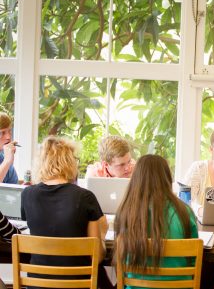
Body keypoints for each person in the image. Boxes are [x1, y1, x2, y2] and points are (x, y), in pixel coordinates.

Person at [20, 136, 111, 289]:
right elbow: (97, 256)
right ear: (69, 161)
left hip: (37, 285)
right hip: (77, 285)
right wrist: (102, 232)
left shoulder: (27, 195)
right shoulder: (85, 197)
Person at [114, 154, 198, 283]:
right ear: (167, 178)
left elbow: (121, 260)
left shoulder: (125, 212)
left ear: (136, 179)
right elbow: (193, 260)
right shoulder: (185, 212)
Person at [0, 112, 18, 184]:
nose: (8, 137)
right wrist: (7, 161)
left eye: (9, 131)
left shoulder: (3, 159)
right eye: (2, 133)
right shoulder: (6, 161)